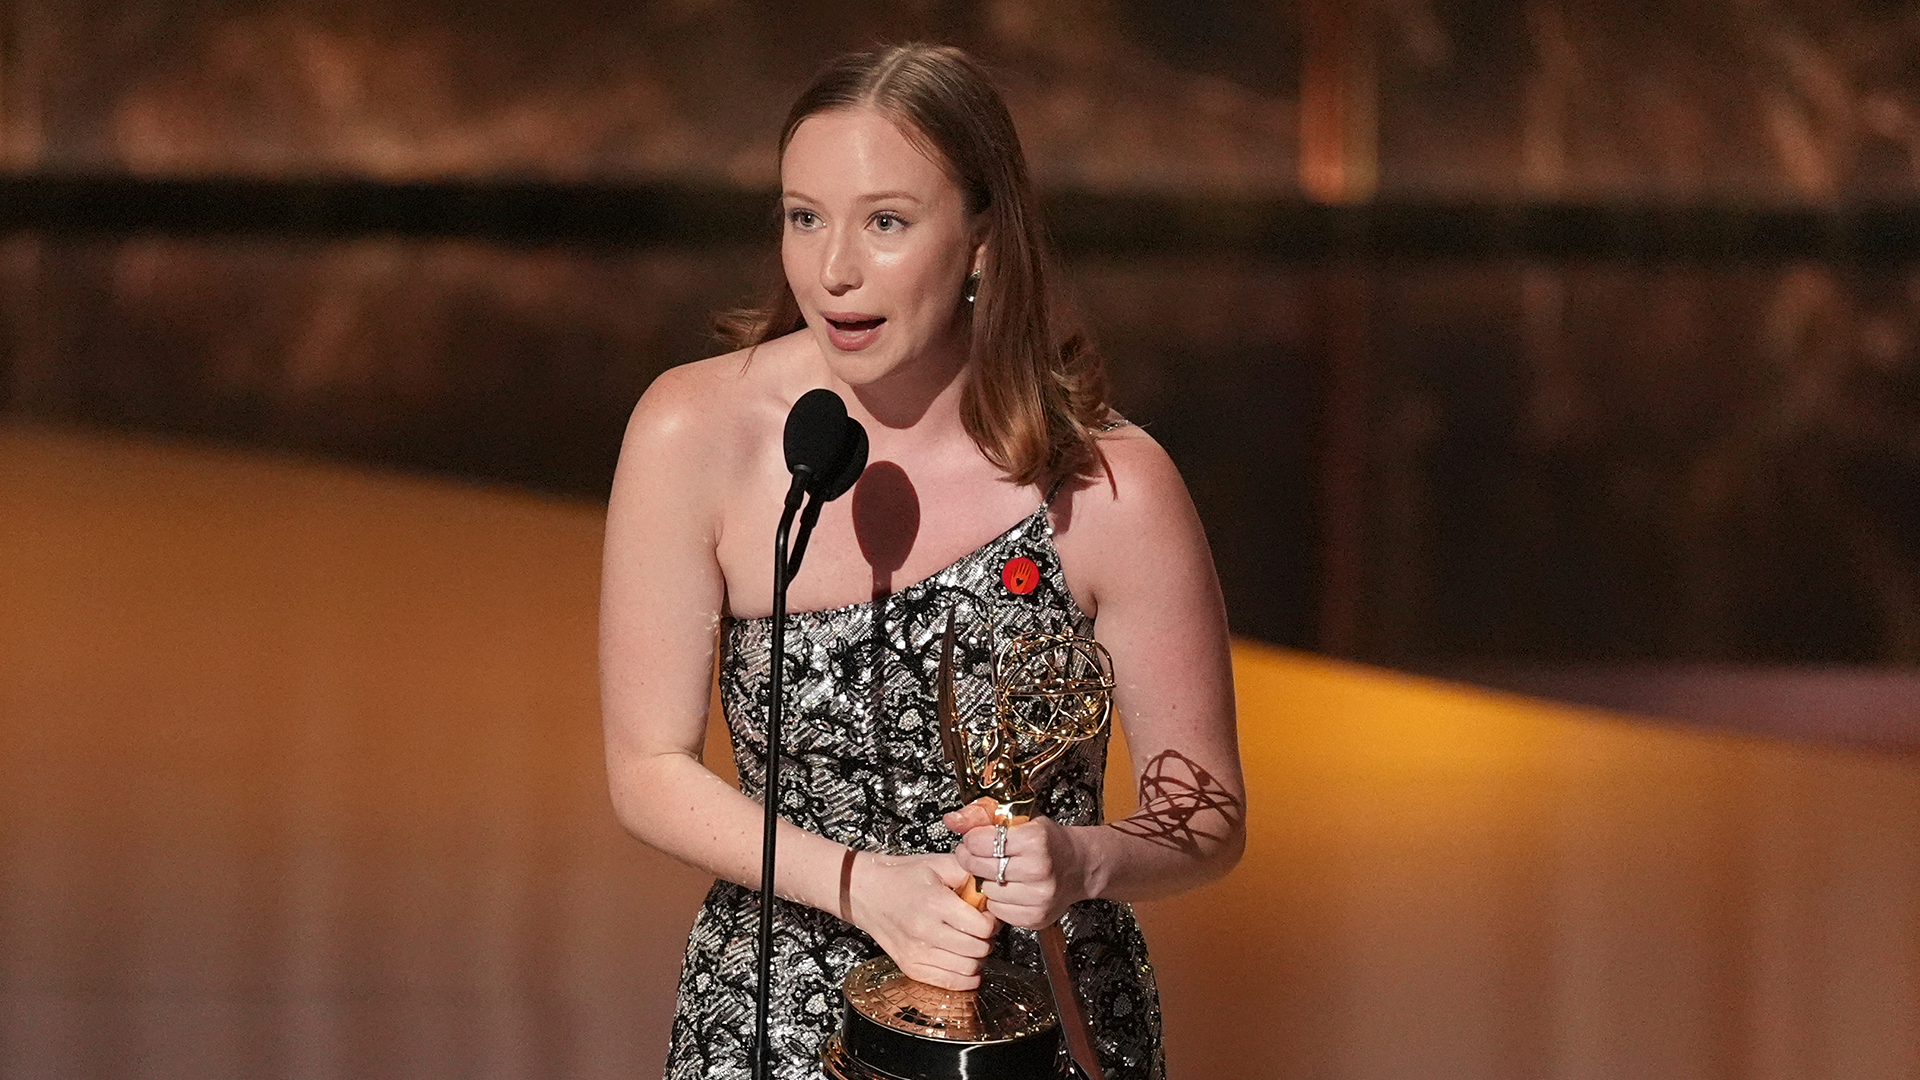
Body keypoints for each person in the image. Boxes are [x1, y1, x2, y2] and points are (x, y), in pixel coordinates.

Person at [600, 43, 1244, 1080]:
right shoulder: (692, 432)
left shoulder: (1108, 486)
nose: (833, 268)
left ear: (983, 241)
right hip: (778, 990)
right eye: (803, 217)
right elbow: (647, 770)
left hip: (1041, 1010)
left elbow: (1204, 813)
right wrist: (866, 886)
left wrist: (1082, 860)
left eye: (885, 222)